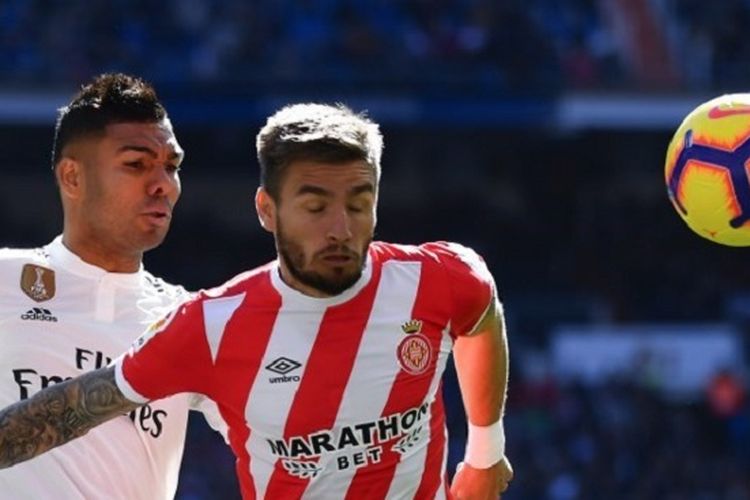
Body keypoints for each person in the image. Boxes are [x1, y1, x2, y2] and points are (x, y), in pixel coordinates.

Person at [0, 103, 513, 499]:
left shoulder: (438, 279)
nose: (340, 228)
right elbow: (76, 406)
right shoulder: (209, 325)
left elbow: (482, 314)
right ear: (267, 210)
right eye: (315, 206)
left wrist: (486, 452)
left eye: (359, 204)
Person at [0, 73, 224, 499]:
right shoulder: (4, 279)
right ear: (72, 177)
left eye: (171, 166)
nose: (163, 185)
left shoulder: (191, 317)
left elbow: (278, 438)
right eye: (137, 164)